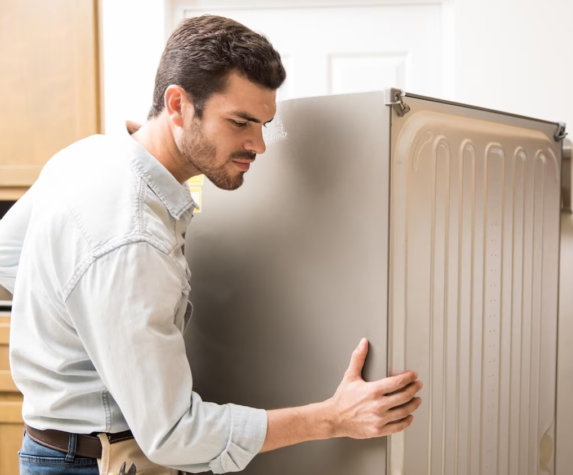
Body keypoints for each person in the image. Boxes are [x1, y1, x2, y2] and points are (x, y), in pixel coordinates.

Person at [0, 15, 422, 475]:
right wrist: (333, 418)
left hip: (56, 450)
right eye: (240, 122)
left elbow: (7, 259)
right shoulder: (133, 238)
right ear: (178, 104)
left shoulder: (88, 154)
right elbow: (174, 435)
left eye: (264, 123)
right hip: (102, 463)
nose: (259, 145)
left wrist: (93, 329)